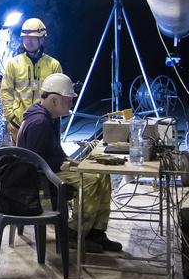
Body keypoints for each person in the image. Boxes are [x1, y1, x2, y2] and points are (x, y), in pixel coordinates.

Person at [16, 73, 123, 253]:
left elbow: (53, 151)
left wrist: (69, 160)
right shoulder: (39, 122)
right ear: (54, 100)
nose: (71, 104)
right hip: (39, 176)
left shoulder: (50, 118)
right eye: (69, 100)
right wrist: (68, 165)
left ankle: (97, 232)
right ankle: (74, 233)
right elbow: (36, 161)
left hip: (51, 167)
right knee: (90, 181)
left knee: (103, 175)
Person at [0, 17, 63, 142]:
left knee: (44, 160)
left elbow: (60, 96)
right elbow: (6, 91)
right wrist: (11, 116)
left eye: (33, 38)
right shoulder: (14, 64)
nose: (28, 41)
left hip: (46, 124)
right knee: (20, 160)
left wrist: (54, 120)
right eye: (25, 37)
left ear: (42, 39)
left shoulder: (53, 65)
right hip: (19, 124)